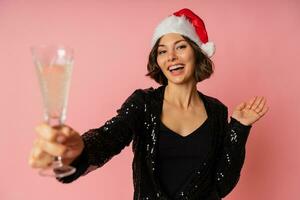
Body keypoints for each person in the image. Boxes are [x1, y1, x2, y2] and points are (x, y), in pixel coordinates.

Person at [28, 8, 269, 200]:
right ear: (157, 60)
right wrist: (77, 152)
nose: (171, 57)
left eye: (181, 47)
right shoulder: (143, 104)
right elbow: (106, 139)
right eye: (162, 51)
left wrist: (239, 127)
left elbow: (221, 184)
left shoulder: (217, 111)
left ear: (197, 53)